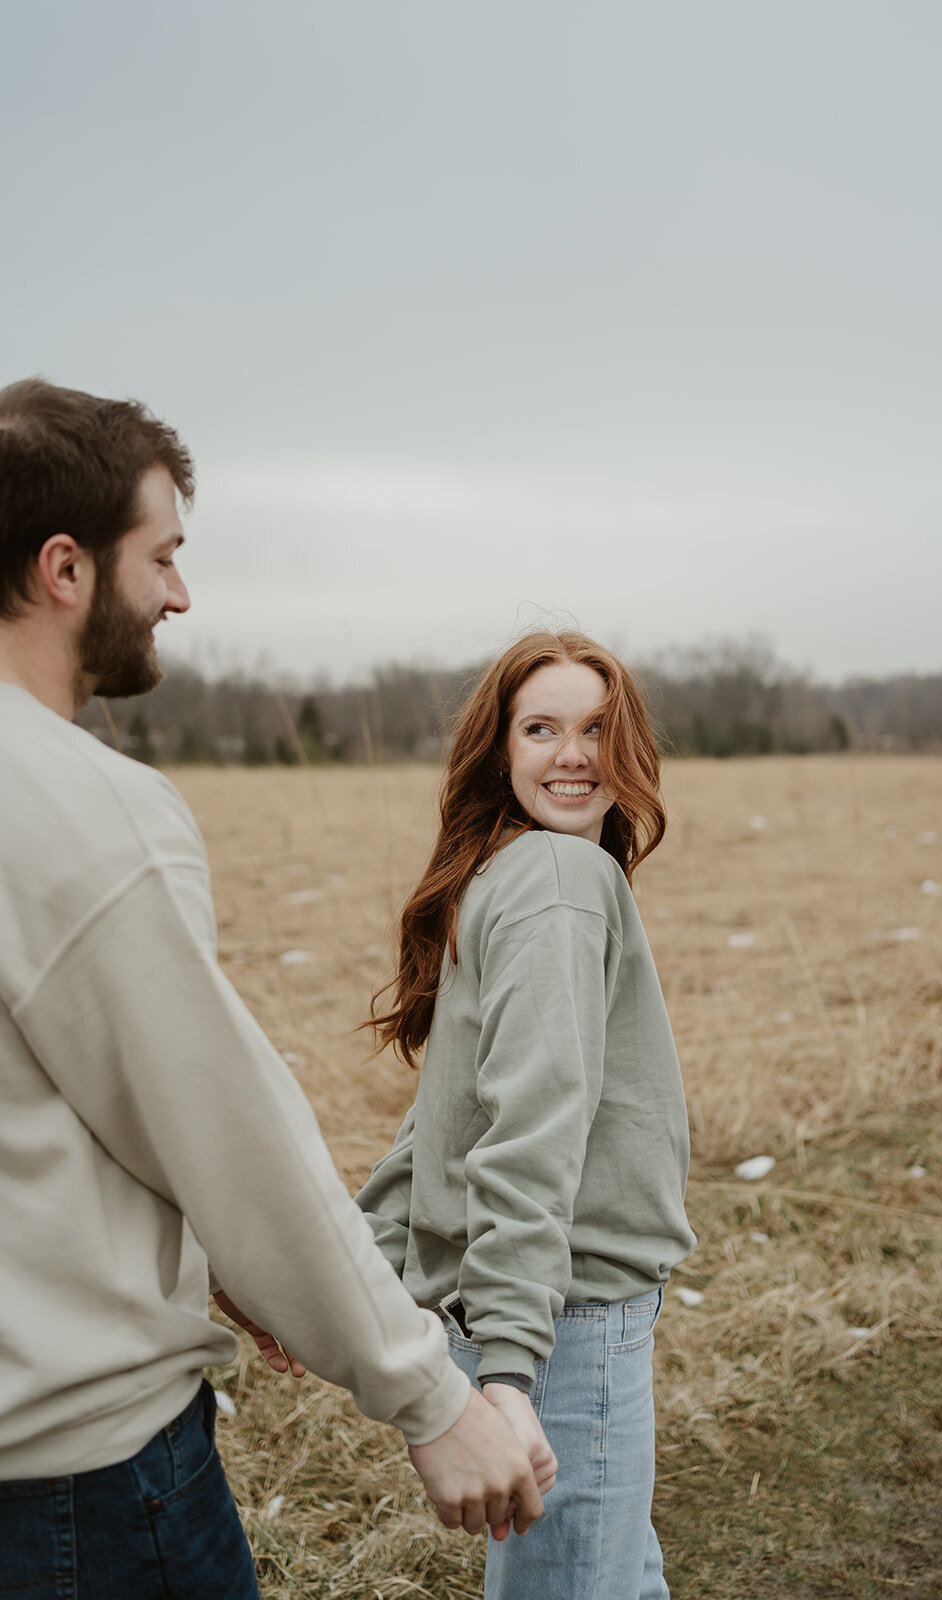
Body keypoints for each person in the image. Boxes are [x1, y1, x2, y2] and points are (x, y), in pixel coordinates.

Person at [0, 378, 551, 1600]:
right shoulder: (82, 810)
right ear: (64, 569)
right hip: (74, 1494)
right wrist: (427, 1393)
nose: (181, 595)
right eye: (163, 555)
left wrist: (218, 1261)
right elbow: (226, 1134)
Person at [358, 631, 696, 1600]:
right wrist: (510, 1364)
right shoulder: (558, 881)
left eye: (595, 728)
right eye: (539, 727)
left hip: (540, 1307)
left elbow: (444, 1124)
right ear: (499, 750)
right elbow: (528, 1134)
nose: (572, 754)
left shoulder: (508, 873)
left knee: (617, 1577)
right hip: (565, 1321)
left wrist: (355, 1259)